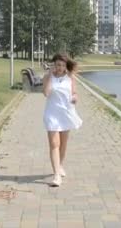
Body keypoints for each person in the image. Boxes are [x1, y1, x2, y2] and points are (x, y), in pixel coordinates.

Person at [42, 53, 83, 187]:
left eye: (62, 65)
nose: (59, 68)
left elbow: (74, 93)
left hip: (66, 113)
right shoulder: (48, 77)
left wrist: (75, 97)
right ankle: (56, 176)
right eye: (57, 65)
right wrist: (49, 76)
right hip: (52, 113)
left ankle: (60, 165)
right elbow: (46, 93)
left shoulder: (70, 77)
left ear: (66, 66)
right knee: (54, 144)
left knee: (63, 144)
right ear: (53, 65)